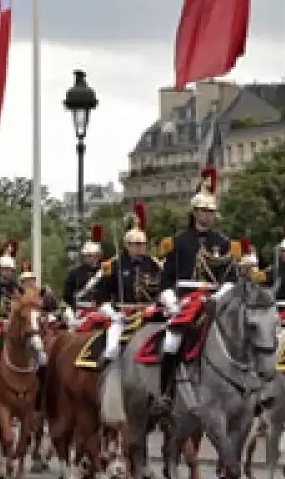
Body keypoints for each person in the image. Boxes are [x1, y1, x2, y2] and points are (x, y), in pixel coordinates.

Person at [155, 171, 234, 414]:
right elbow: (166, 281)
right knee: (171, 341)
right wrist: (172, 304)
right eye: (203, 211)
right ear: (194, 213)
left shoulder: (223, 243)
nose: (207, 216)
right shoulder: (178, 242)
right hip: (185, 300)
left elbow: (230, 279)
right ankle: (165, 393)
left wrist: (217, 299)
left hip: (214, 300)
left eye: (210, 212)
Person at [77, 204, 160, 368]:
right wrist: (113, 314)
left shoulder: (154, 265)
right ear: (127, 246)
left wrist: (158, 306)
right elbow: (100, 298)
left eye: (142, 244)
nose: (140, 248)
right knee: (112, 348)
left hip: (151, 314)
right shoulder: (114, 266)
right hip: (124, 316)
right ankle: (108, 376)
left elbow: (162, 289)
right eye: (135, 244)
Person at [62, 225, 105, 310]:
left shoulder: (105, 271)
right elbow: (67, 294)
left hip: (103, 309)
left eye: (91, 255)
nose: (89, 258)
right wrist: (74, 305)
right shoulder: (75, 273)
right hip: (81, 310)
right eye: (87, 255)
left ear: (98, 256)